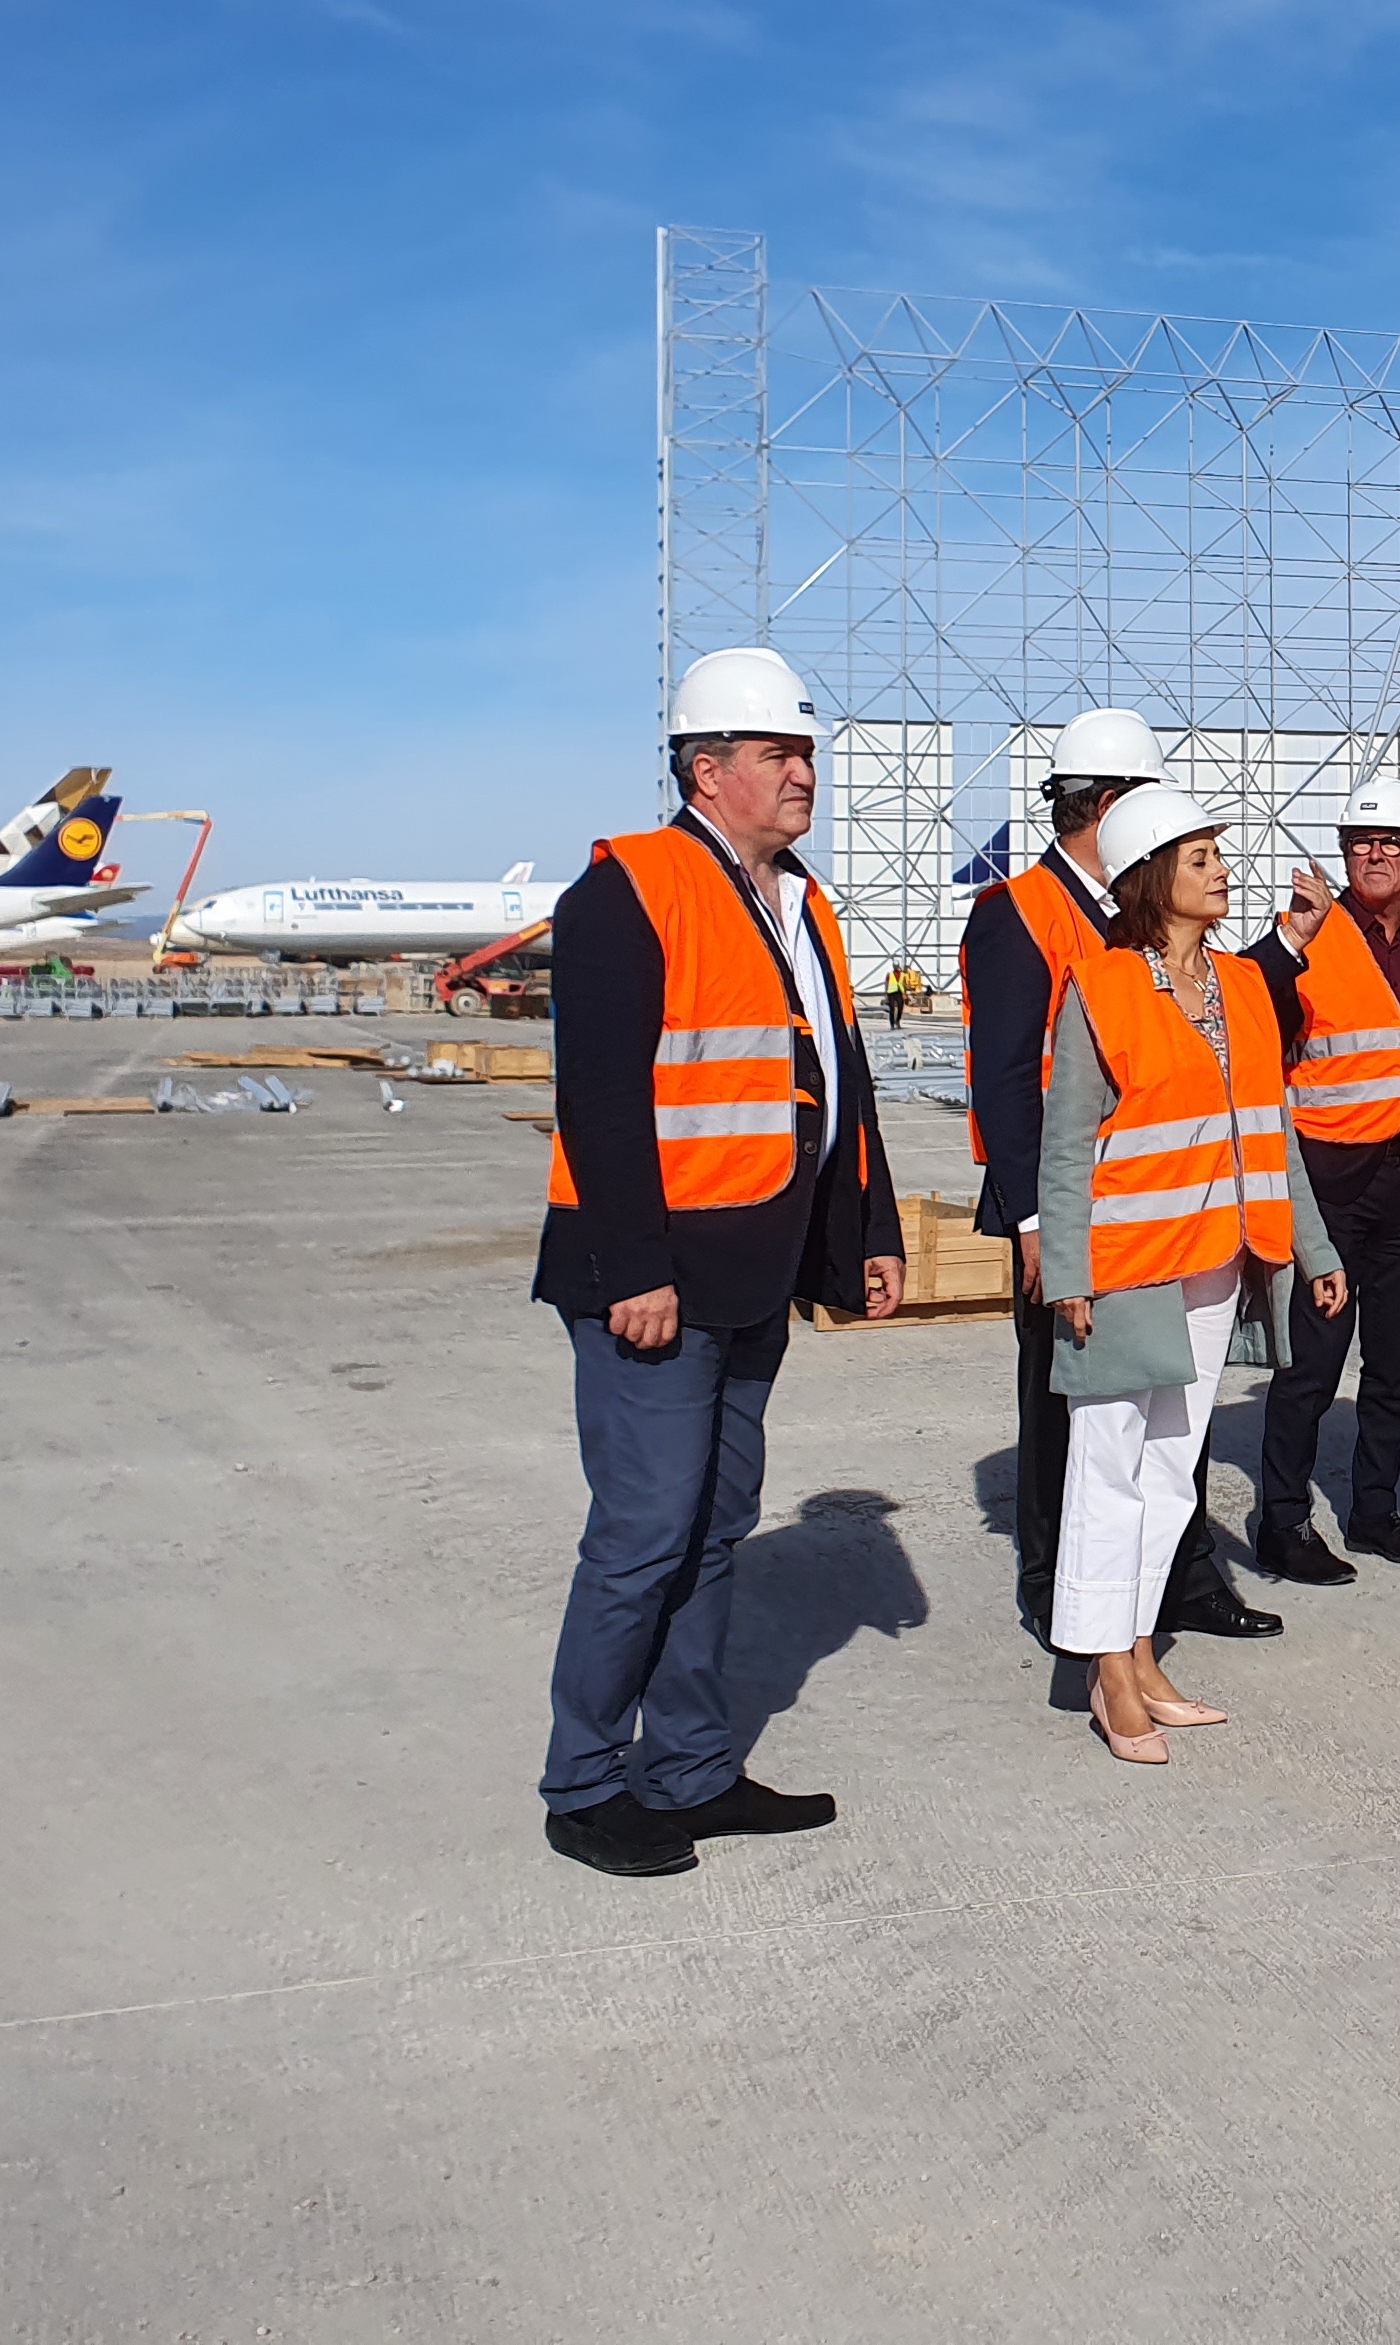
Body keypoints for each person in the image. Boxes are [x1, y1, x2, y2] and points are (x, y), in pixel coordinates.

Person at [529, 645, 907, 1880]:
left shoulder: (802, 904)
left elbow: (836, 1082)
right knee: (644, 1533)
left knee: (714, 1527)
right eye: (778, 753)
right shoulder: (629, 890)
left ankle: (689, 1769)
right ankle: (587, 1785)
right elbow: (597, 1100)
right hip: (654, 1282)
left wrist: (868, 1232)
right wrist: (634, 1268)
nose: (804, 774)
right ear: (707, 769)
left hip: (753, 1271)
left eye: (808, 754)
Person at [960, 710, 1283, 1651]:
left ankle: (1175, 1584)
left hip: (1172, 1210)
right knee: (1068, 1409)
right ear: (1111, 805)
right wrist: (1035, 1226)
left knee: (1173, 1413)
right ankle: (1054, 1589)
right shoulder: (1019, 912)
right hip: (1070, 1211)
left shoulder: (1138, 909)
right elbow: (1008, 1083)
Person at [1038, 788, 1346, 1758]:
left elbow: (1274, 1131)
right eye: (1201, 856)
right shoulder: (1101, 987)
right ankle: (1104, 1670)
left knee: (1173, 1470)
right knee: (1107, 1465)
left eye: (1219, 854)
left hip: (1220, 1260)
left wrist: (1315, 1248)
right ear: (1149, 875)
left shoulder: (1244, 987)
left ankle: (1138, 1648)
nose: (1223, 870)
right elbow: (1066, 1142)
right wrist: (1066, 1269)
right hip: (1127, 1264)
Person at [1241, 775, 1400, 1583]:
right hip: (1330, 1179)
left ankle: (1376, 1510)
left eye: (1392, 843)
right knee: (1312, 1361)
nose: (1375, 854)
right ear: (1343, 853)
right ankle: (1282, 1521)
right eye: (1361, 842)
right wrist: (1288, 940)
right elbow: (1245, 1004)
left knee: (1394, 1360)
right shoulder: (1309, 931)